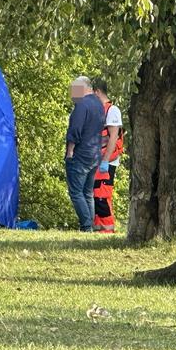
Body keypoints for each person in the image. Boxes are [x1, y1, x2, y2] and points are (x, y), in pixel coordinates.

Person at [65, 76, 105, 232]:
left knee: (76, 192)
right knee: (88, 192)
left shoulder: (81, 105)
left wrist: (70, 151)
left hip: (81, 154)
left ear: (83, 88)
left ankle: (86, 226)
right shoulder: (99, 104)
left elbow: (75, 129)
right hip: (95, 154)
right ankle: (90, 226)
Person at [92, 79, 124, 233]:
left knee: (102, 196)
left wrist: (105, 161)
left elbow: (113, 137)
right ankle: (98, 230)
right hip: (96, 161)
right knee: (95, 195)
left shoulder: (112, 110)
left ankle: (107, 231)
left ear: (97, 92)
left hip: (107, 161)